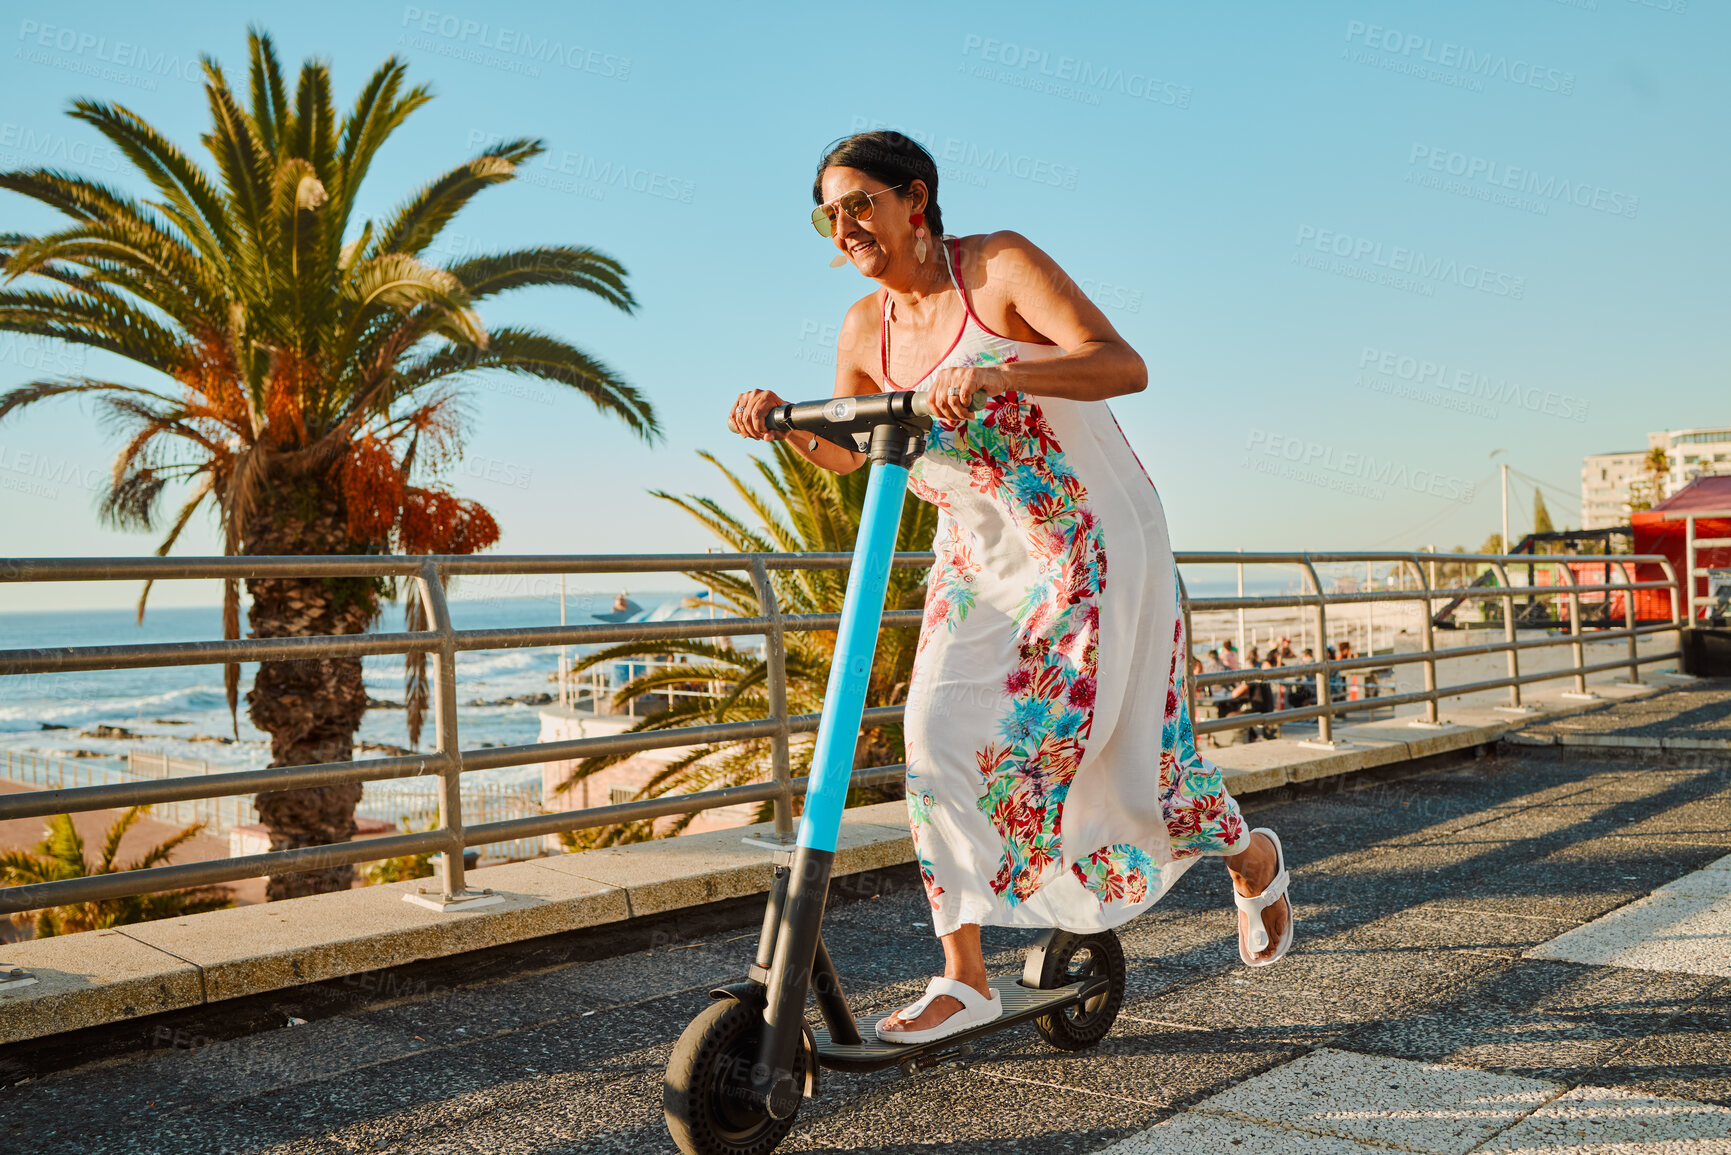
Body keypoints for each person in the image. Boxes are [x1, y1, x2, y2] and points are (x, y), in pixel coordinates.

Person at [729, 132, 1294, 1044]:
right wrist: (781, 426)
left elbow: (1121, 363)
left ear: (914, 200)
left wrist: (1002, 370)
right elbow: (850, 449)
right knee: (933, 732)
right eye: (827, 217)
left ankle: (1248, 851)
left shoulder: (996, 266)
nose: (844, 228)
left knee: (1119, 744)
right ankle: (963, 976)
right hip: (977, 554)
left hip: (1087, 537)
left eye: (859, 204)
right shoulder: (861, 326)